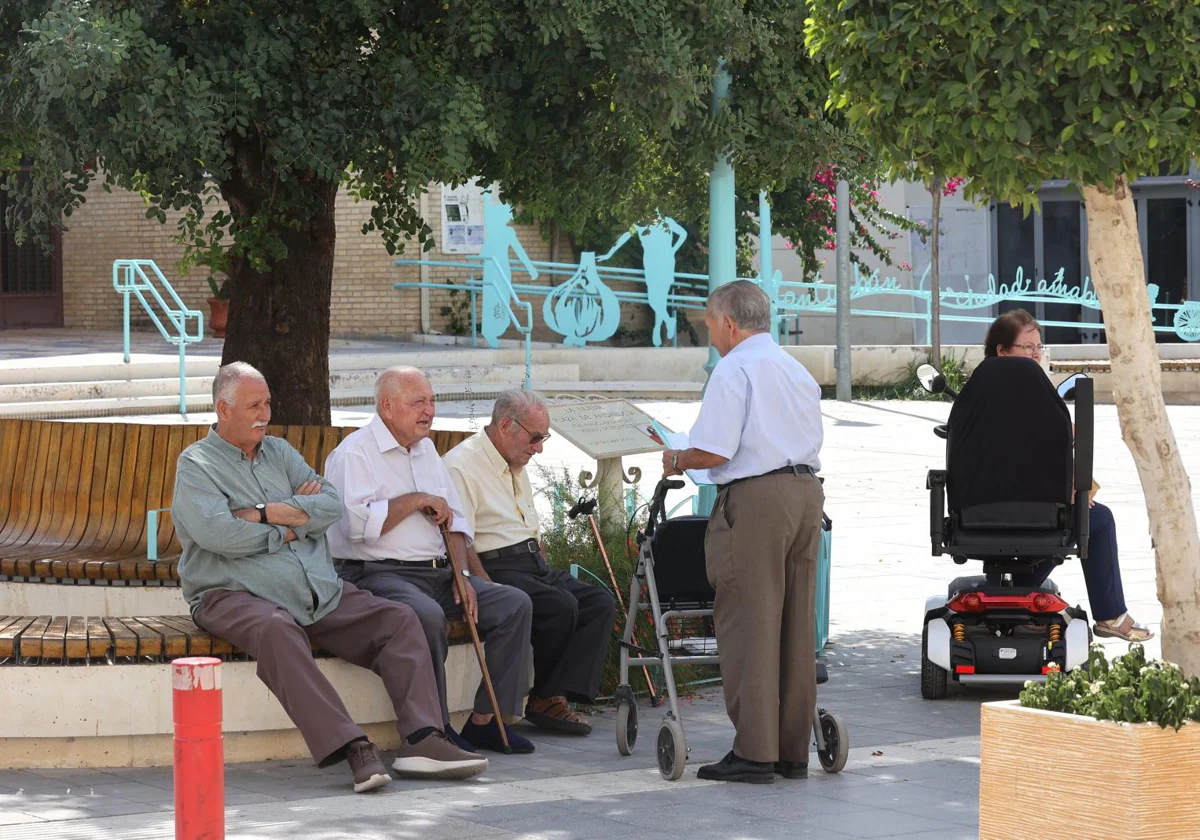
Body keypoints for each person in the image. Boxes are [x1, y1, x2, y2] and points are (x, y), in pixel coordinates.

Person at [172, 362, 488, 794]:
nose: (265, 412)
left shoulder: (279, 452)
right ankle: (352, 746)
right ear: (224, 410)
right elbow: (217, 533)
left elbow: (331, 506)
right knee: (276, 629)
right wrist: (280, 519)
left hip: (316, 589)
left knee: (399, 620)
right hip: (231, 593)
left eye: (267, 402)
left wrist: (262, 514)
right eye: (254, 405)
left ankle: (421, 741)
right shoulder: (197, 465)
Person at [662, 279, 825, 784]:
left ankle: (755, 752)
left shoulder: (734, 368)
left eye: (711, 325)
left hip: (757, 501)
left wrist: (676, 456)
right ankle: (792, 750)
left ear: (729, 324)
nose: (710, 335)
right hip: (806, 495)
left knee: (750, 623)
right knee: (796, 625)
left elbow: (715, 451)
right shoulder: (794, 369)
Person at [324, 367, 536, 754]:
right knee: (426, 615)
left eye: (432, 401)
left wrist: (463, 576)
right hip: (377, 572)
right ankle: (434, 728)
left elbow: (455, 522)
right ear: (387, 406)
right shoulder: (355, 453)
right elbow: (356, 526)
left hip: (438, 572)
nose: (429, 411)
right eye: (418, 401)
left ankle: (486, 721)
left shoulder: (425, 451)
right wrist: (416, 500)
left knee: (513, 604)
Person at [444, 389, 617, 735]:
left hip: (530, 562)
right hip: (496, 566)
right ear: (507, 425)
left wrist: (542, 561)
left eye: (544, 438)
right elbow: (460, 537)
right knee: (560, 606)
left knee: (599, 603)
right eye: (535, 438)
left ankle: (552, 696)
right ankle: (547, 699)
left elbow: (528, 525)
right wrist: (485, 585)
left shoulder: (514, 456)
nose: (539, 448)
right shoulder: (461, 464)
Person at [983, 309, 1154, 642]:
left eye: (1038, 347)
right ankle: (1109, 615)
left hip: (978, 508)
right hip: (1028, 503)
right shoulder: (1027, 391)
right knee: (1095, 521)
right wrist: (1076, 489)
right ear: (1003, 351)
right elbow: (1037, 452)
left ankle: (1020, 594)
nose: (1036, 354)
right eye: (1027, 348)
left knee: (1074, 518)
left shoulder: (978, 390)